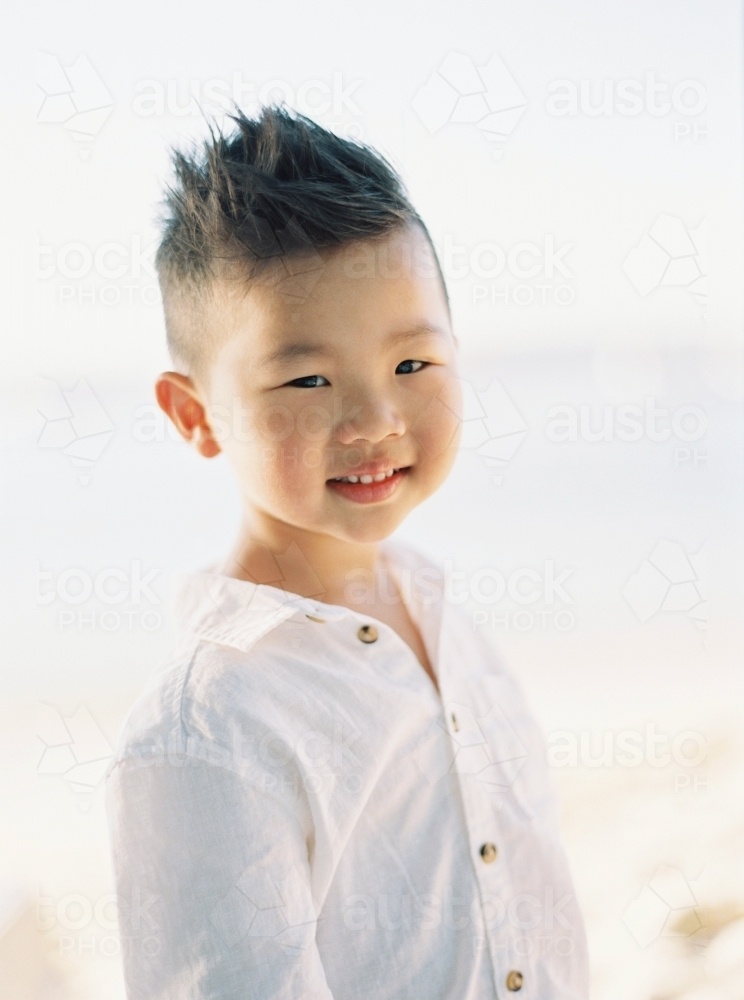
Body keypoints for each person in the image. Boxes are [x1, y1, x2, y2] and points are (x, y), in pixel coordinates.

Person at [106, 106, 588, 999]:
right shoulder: (208, 729)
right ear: (196, 415)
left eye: (413, 365)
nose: (374, 421)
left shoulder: (442, 617)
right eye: (308, 380)